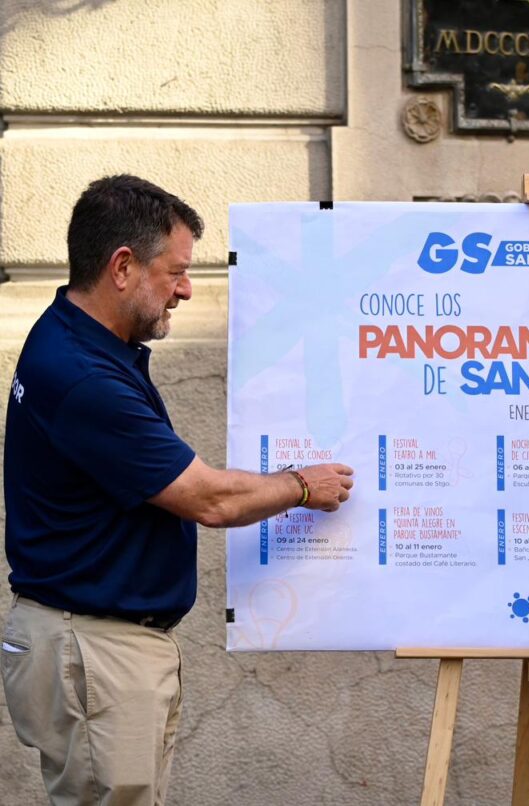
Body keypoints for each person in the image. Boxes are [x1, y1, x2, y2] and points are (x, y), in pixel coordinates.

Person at [2, 175, 355, 805]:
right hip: (97, 650)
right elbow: (208, 499)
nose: (187, 289)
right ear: (122, 267)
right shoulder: (85, 378)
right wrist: (303, 485)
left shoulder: (73, 337)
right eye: (177, 272)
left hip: (96, 645)